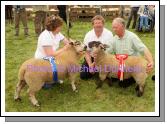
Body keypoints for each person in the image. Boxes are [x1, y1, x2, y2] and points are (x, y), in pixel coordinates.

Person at [34, 15, 70, 88]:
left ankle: (54, 78)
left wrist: (72, 43)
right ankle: (44, 80)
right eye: (60, 26)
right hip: (43, 59)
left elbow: (66, 41)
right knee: (48, 85)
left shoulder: (57, 33)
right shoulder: (45, 36)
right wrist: (64, 49)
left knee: (63, 61)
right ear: (54, 27)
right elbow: (50, 54)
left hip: (52, 57)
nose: (61, 28)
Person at [80, 15, 113, 80]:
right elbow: (87, 52)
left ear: (103, 24)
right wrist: (90, 65)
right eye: (96, 23)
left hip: (105, 58)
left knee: (112, 77)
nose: (98, 25)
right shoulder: (88, 35)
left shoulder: (109, 34)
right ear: (93, 25)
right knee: (83, 75)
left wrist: (96, 63)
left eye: (100, 23)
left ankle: (99, 71)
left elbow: (110, 51)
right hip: (92, 58)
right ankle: (97, 71)